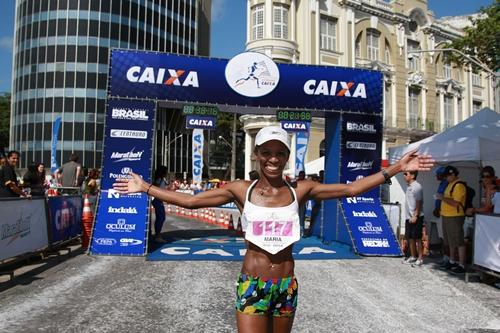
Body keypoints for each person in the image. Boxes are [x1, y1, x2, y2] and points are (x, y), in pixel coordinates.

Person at [113, 126, 434, 333]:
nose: (273, 158)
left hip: (286, 287)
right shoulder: (241, 189)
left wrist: (396, 167)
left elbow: (352, 189)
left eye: (280, 152)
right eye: (267, 151)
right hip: (253, 285)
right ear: (257, 154)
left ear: (286, 156)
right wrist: (146, 187)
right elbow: (192, 201)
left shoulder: (301, 189)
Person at [436, 166, 467, 274]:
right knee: (449, 240)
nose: (446, 178)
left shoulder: (459, 185)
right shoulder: (450, 184)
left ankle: (461, 264)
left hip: (455, 215)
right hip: (447, 215)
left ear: (453, 174)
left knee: (458, 240)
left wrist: (442, 198)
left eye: (447, 176)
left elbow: (455, 203)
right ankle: (452, 260)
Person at [402, 171, 425, 266]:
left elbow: (419, 202)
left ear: (412, 175)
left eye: (406, 174)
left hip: (416, 216)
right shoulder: (409, 186)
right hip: (409, 217)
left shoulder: (417, 186)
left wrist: (416, 215)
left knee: (418, 238)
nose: (404, 176)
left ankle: (420, 258)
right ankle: (413, 256)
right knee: (410, 237)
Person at [151, 166, 168, 243]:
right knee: (161, 217)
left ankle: (157, 234)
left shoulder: (161, 179)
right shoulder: (159, 179)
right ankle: (157, 235)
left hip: (158, 199)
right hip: (157, 199)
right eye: (166, 172)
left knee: (160, 217)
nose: (167, 173)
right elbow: (156, 189)